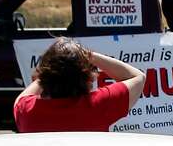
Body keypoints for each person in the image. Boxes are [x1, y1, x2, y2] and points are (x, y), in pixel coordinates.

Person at [13, 38, 146, 133]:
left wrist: (52, 70)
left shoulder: (27, 111)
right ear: (88, 78)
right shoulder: (99, 104)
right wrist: (90, 55)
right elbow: (138, 76)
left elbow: (21, 98)